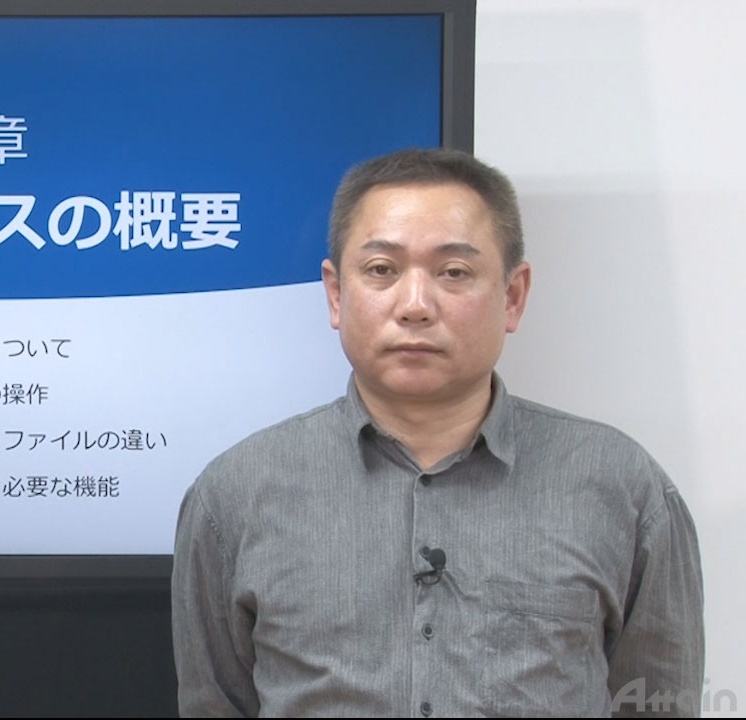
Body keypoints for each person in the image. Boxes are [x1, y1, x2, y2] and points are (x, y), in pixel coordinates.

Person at [171, 147, 704, 717]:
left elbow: (658, 702)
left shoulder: (622, 487)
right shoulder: (235, 494)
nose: (416, 306)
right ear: (336, 294)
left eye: (454, 272)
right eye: (382, 270)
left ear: (513, 296)